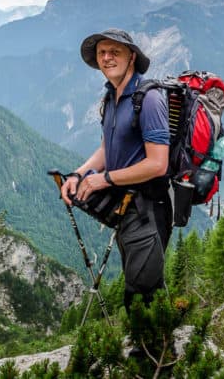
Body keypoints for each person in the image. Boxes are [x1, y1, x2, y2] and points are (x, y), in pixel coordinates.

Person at [61, 28, 172, 309]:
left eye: (115, 52)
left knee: (144, 294)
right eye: (102, 53)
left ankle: (161, 338)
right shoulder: (112, 97)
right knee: (137, 283)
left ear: (132, 57)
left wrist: (104, 179)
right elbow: (106, 149)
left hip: (148, 208)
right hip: (126, 205)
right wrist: (78, 174)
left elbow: (158, 164)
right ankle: (153, 335)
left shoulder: (149, 99)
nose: (107, 58)